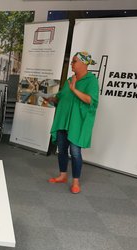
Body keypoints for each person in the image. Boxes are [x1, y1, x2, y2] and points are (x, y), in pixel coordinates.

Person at [47, 51, 100, 194]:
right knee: (62, 149)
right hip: (63, 120)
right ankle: (63, 175)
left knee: (75, 152)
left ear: (84, 64)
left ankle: (76, 181)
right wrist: (53, 99)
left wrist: (74, 89)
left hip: (77, 122)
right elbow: (63, 96)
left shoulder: (91, 81)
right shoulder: (70, 79)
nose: (72, 64)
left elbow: (91, 100)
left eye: (74, 61)